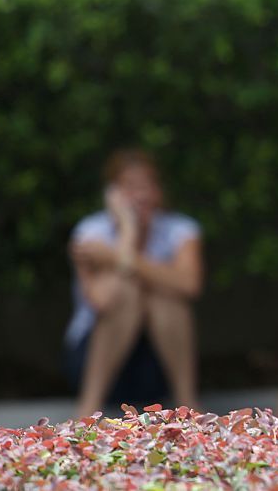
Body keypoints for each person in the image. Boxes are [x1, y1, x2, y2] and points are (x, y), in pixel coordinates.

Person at [65, 149, 203, 417]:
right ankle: (87, 409)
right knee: (127, 291)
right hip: (94, 357)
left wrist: (118, 258)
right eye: (130, 186)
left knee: (164, 294)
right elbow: (101, 301)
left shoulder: (181, 230)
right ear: (112, 194)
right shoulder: (90, 233)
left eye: (147, 184)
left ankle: (188, 402)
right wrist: (128, 232)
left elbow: (190, 285)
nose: (140, 194)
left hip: (157, 364)